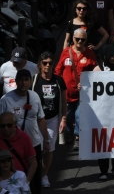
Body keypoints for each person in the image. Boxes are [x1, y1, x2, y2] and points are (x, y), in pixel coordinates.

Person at [0, 69, 49, 194]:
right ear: (15, 81)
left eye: (26, 79)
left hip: (34, 143)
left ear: (30, 81)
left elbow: (41, 119)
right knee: (15, 176)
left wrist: (46, 140)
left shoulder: (35, 96)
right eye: (21, 79)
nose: (23, 82)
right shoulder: (5, 100)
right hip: (14, 145)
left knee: (35, 180)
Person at [54, 28, 97, 151]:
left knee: (79, 116)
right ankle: (69, 131)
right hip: (67, 93)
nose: (79, 41)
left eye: (82, 39)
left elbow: (95, 69)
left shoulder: (89, 53)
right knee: (68, 115)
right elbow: (58, 70)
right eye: (77, 39)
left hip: (82, 94)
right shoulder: (66, 52)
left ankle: (77, 138)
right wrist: (57, 85)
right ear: (73, 39)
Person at [31, 52, 66, 188]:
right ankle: (35, 174)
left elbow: (64, 101)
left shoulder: (58, 81)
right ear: (40, 64)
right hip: (35, 120)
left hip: (53, 119)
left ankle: (44, 175)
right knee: (36, 148)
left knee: (49, 148)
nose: (47, 66)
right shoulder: (34, 80)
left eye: (50, 63)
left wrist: (63, 118)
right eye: (45, 63)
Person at [92, 45, 114, 179]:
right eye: (111, 55)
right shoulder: (98, 70)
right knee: (103, 141)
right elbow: (91, 86)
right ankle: (103, 171)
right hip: (103, 113)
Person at [0, 112, 36, 184]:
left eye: (9, 125)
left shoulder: (24, 137)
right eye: (2, 126)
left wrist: (26, 182)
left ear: (15, 124)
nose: (6, 128)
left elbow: (33, 163)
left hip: (20, 181)